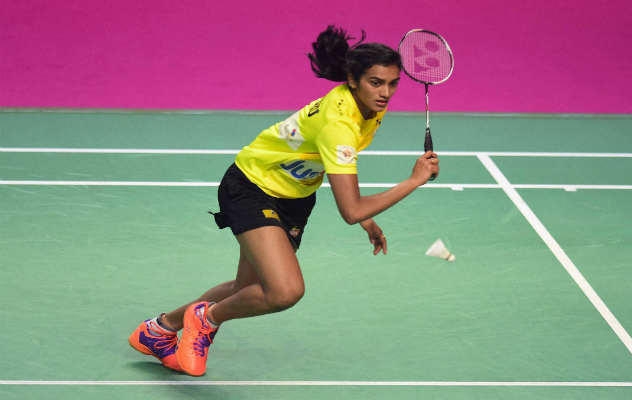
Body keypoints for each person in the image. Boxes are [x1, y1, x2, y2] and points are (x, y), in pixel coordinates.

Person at [128, 25, 439, 376]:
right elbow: (350, 210)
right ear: (353, 80)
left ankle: (159, 330)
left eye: (393, 83)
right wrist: (413, 181)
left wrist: (367, 216)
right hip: (252, 185)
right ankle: (206, 319)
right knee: (284, 291)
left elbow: (333, 164)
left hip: (293, 197)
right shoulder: (339, 123)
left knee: (247, 289)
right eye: (376, 83)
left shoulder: (368, 108)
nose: (385, 93)